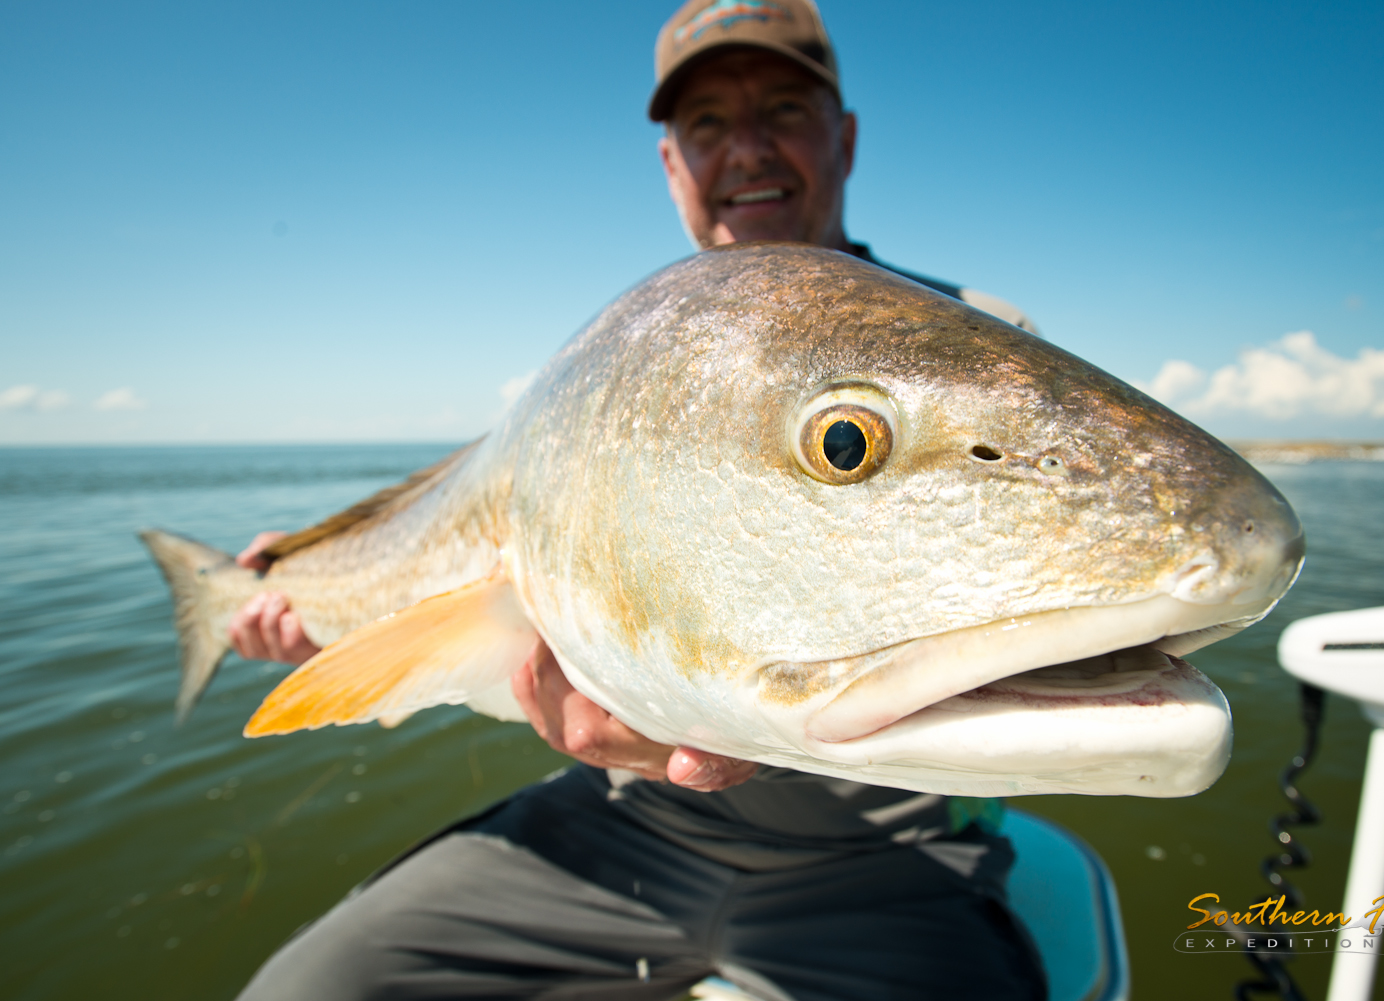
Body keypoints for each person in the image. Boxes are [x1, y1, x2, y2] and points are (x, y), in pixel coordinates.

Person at [234, 3, 1046, 998]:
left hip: (885, 855)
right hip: (626, 825)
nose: (747, 147)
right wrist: (322, 596)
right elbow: (469, 583)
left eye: (785, 106)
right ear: (670, 163)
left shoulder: (980, 339)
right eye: (706, 123)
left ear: (847, 137)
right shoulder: (603, 374)